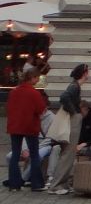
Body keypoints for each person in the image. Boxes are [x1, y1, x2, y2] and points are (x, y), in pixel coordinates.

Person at [43, 63, 89, 194]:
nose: (89, 75)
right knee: (68, 153)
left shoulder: (74, 85)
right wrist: (74, 112)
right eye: (88, 72)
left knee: (68, 153)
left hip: (72, 118)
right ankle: (56, 185)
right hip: (72, 120)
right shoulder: (74, 86)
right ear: (84, 73)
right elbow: (64, 97)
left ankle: (62, 184)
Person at [6, 64, 49, 192]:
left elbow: (8, 108)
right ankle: (36, 184)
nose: (38, 81)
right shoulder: (34, 93)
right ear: (33, 78)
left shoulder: (14, 92)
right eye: (37, 78)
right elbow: (41, 110)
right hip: (30, 126)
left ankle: (14, 184)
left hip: (15, 125)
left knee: (15, 154)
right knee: (34, 154)